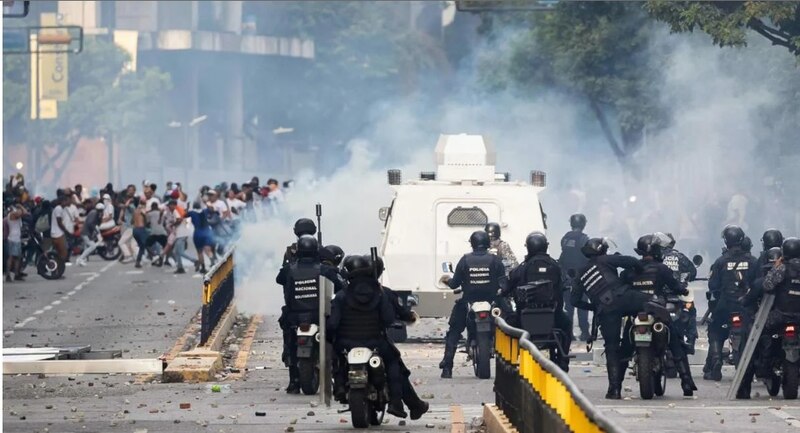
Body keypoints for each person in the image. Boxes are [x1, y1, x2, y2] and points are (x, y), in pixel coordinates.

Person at [570, 238, 672, 399]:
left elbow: (574, 301)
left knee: (611, 348)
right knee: (655, 303)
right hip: (625, 298)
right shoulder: (606, 259)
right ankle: (668, 342)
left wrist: (594, 307)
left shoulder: (581, 272)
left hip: (605, 310)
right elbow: (631, 261)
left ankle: (614, 390)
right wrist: (639, 270)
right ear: (602, 249)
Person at [328, 254, 407, 418]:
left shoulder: (342, 296)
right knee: (393, 361)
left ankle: (340, 387)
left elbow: (333, 324)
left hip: (346, 344)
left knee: (336, 357)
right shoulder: (380, 294)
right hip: (375, 342)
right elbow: (388, 319)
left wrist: (330, 335)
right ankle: (395, 402)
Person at [621, 234, 697, 396]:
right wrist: (682, 290)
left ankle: (615, 387)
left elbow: (622, 286)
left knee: (625, 347)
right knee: (675, 341)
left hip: (636, 311)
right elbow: (675, 285)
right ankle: (686, 382)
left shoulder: (630, 270)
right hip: (657, 310)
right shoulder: (662, 268)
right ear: (656, 250)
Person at [275, 235, 343, 394]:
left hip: (294, 317)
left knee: (290, 344)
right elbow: (340, 285)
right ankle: (339, 379)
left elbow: (279, 280)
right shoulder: (324, 269)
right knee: (338, 338)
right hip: (319, 316)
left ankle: (294, 381)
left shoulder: (289, 269)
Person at [438, 230, 506, 379]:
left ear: (472, 244)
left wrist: (447, 280)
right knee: (509, 325)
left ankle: (447, 367)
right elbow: (504, 283)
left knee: (454, 331)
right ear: (487, 244)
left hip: (468, 302)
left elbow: (454, 283)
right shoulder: (495, 260)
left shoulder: (465, 260)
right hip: (492, 303)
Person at [501, 232, 571, 371]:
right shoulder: (555, 265)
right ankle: (563, 360)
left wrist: (504, 291)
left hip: (524, 318)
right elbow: (566, 282)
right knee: (567, 325)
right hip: (553, 316)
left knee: (506, 325)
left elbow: (508, 285)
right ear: (546, 246)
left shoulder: (522, 268)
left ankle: (511, 360)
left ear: (528, 247)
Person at [703, 225, 758, 381]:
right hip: (746, 306)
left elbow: (713, 285)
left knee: (715, 330)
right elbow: (758, 284)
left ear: (726, 242)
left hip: (725, 305)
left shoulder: (721, 261)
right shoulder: (752, 261)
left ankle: (716, 359)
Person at [660, 233, 699, 352]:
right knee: (691, 312)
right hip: (679, 294)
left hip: (659, 295)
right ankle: (690, 341)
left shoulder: (655, 257)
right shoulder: (680, 257)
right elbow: (692, 272)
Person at [558, 213, 591, 341]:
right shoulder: (584, 239)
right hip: (581, 277)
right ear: (583, 224)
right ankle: (585, 333)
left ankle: (569, 333)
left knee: (568, 307)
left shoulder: (565, 238)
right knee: (582, 306)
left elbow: (564, 256)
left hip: (567, 277)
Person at [188, 202, 215, 273]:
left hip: (197, 233)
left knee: (199, 252)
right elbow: (212, 210)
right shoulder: (205, 210)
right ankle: (212, 261)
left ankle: (203, 267)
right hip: (207, 232)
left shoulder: (191, 212)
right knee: (208, 250)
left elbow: (184, 216)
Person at [5, 201, 28, 281]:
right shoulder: (13, 214)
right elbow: (25, 213)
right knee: (13, 257)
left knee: (16, 257)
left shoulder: (11, 215)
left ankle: (15, 274)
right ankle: (11, 275)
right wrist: (21, 206)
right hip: (14, 239)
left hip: (14, 238)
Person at [50, 194, 70, 263]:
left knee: (59, 253)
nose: (68, 202)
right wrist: (66, 230)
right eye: (67, 201)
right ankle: (58, 267)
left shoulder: (60, 209)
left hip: (56, 233)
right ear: (62, 201)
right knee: (63, 253)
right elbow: (59, 222)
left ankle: (57, 269)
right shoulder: (58, 208)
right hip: (58, 234)